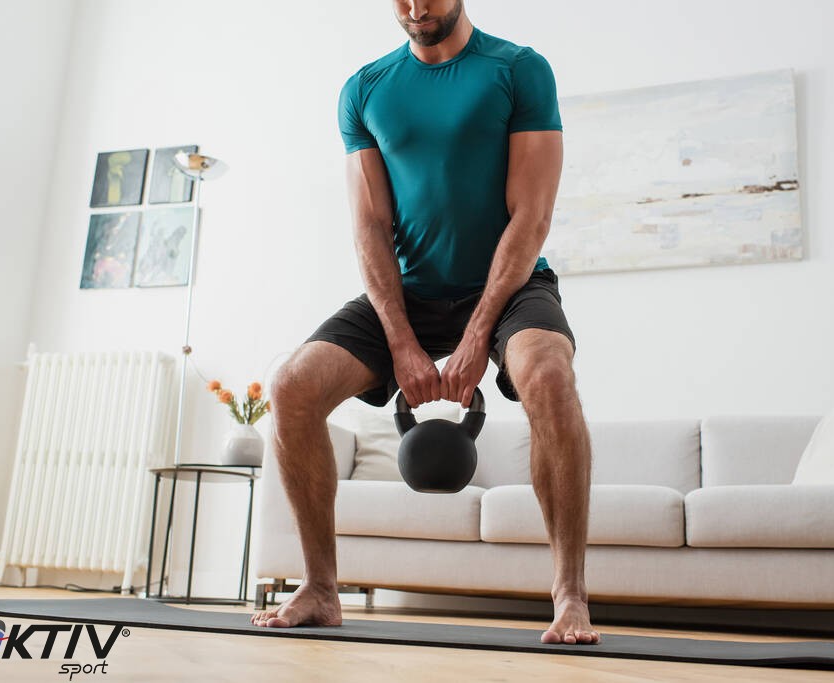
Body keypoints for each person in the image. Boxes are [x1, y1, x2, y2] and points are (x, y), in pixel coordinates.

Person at [251, 0, 599, 645]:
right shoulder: (365, 89)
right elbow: (370, 226)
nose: (416, 9)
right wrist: (403, 343)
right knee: (292, 386)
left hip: (509, 281)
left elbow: (532, 215)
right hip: (408, 291)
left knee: (548, 376)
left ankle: (569, 593)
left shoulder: (518, 69)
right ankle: (321, 589)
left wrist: (475, 338)